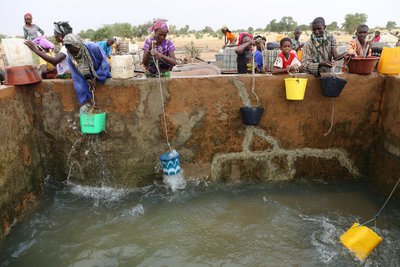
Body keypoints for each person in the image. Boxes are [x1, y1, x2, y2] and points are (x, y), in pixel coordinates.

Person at [62, 34, 111, 111]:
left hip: (102, 73)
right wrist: (87, 98)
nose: (74, 54)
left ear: (78, 45)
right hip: (87, 78)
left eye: (74, 51)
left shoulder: (93, 47)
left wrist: (96, 77)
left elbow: (105, 63)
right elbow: (77, 79)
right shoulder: (70, 59)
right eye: (70, 51)